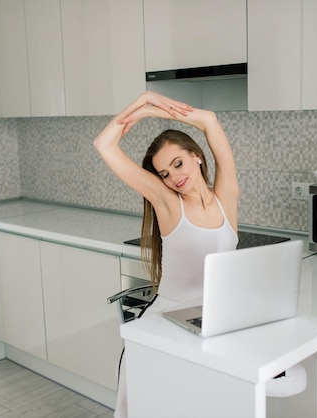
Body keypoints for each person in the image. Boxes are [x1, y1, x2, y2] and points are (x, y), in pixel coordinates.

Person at [93, 91, 240, 417]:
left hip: (210, 325)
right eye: (165, 173)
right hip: (164, 326)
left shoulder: (226, 195)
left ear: (197, 156)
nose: (175, 177)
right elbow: (104, 145)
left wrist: (159, 111)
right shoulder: (168, 202)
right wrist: (141, 105)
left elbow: (209, 121)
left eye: (178, 163)